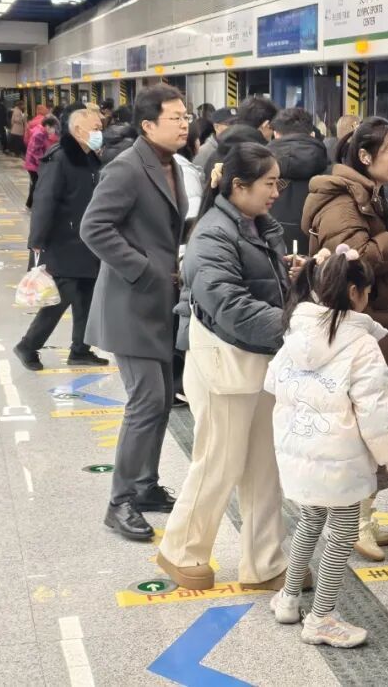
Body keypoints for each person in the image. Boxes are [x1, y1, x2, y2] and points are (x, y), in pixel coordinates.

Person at [157, 142, 297, 592]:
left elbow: (261, 286)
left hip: (260, 360)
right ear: (238, 186)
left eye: (278, 182)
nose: (276, 192)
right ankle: (181, 550)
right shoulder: (212, 235)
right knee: (218, 463)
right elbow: (231, 305)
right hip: (225, 363)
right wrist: (295, 325)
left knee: (264, 468)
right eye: (269, 183)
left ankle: (265, 562)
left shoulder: (259, 226)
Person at [302, 117, 388, 562]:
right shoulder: (342, 203)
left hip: (375, 322)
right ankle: (354, 524)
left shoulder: (368, 195)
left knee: (376, 421)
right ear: (364, 156)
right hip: (360, 327)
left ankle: (364, 516)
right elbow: (354, 262)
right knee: (363, 427)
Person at [267, 245, 388, 647]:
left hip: (298, 449)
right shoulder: (360, 344)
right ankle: (322, 618)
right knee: (343, 532)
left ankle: (288, 599)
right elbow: (375, 408)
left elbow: (272, 382)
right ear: (353, 293)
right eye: (367, 291)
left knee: (310, 519)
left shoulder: (296, 330)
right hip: (340, 458)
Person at [81, 85, 189, 541]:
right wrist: (143, 269)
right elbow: (93, 227)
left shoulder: (171, 165)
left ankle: (145, 486)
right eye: (175, 117)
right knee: (146, 401)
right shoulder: (127, 168)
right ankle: (119, 501)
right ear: (148, 125)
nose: (184, 124)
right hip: (130, 304)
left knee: (161, 400)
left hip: (158, 303)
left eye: (185, 116)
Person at [14, 109, 107, 371]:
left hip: (87, 242)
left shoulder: (90, 157)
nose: (100, 133)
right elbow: (44, 201)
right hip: (63, 242)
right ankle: (27, 346)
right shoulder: (60, 158)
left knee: (87, 297)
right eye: (96, 128)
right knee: (60, 298)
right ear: (78, 130)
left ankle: (81, 350)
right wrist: (36, 241)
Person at [269, 107, 330, 252]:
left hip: (269, 253)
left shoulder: (257, 167)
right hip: (318, 255)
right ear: (312, 134)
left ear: (276, 134)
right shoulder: (332, 172)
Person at [24, 116, 59, 209]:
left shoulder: (42, 133)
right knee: (37, 184)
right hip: (33, 165)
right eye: (53, 128)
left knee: (35, 184)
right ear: (47, 126)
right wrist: (43, 162)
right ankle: (32, 204)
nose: (54, 131)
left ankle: (30, 204)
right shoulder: (39, 134)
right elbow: (36, 151)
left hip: (34, 164)